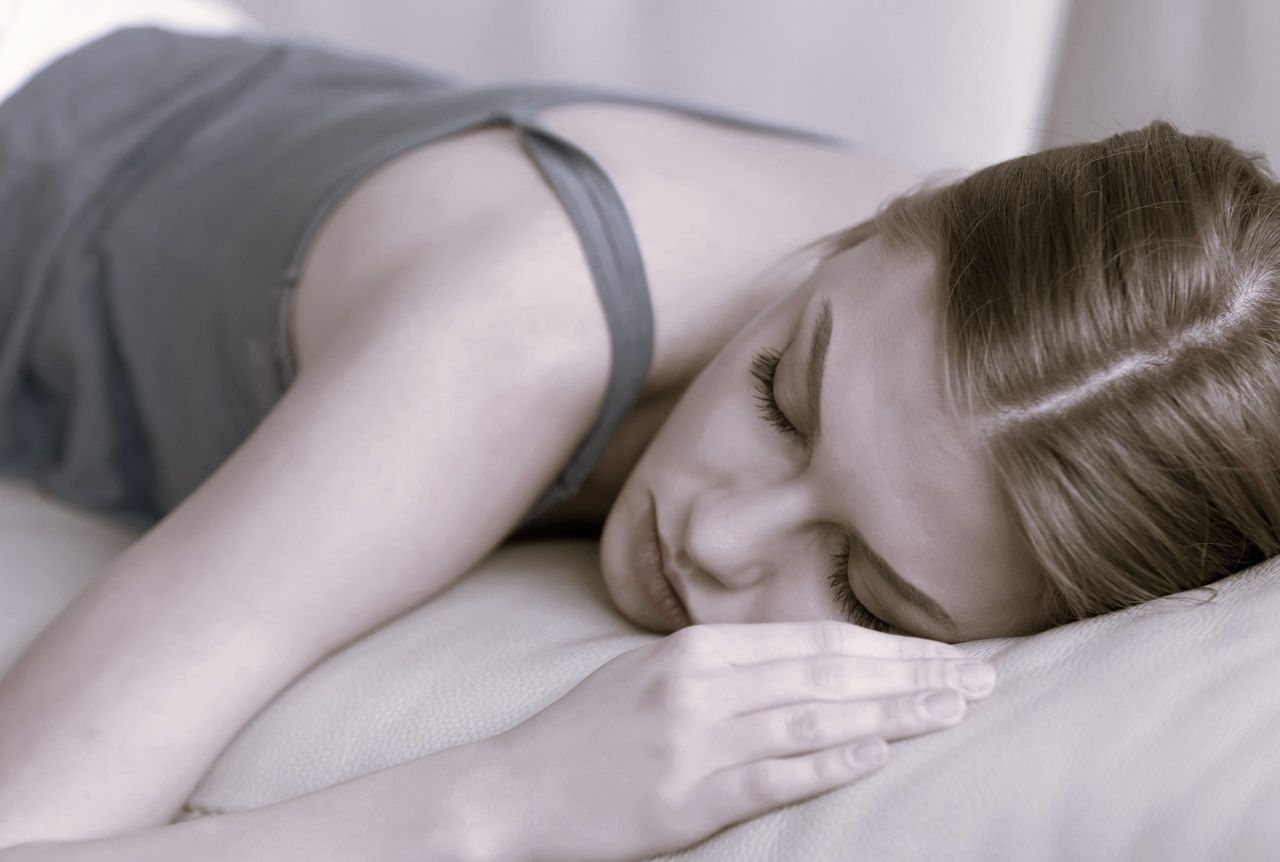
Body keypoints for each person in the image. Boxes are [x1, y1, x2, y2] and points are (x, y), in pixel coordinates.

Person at [2, 7, 1277, 862]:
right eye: (782, 395)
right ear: (883, 227)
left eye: (861, 585)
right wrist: (498, 799)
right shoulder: (510, 324)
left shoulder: (988, 346)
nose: (718, 535)